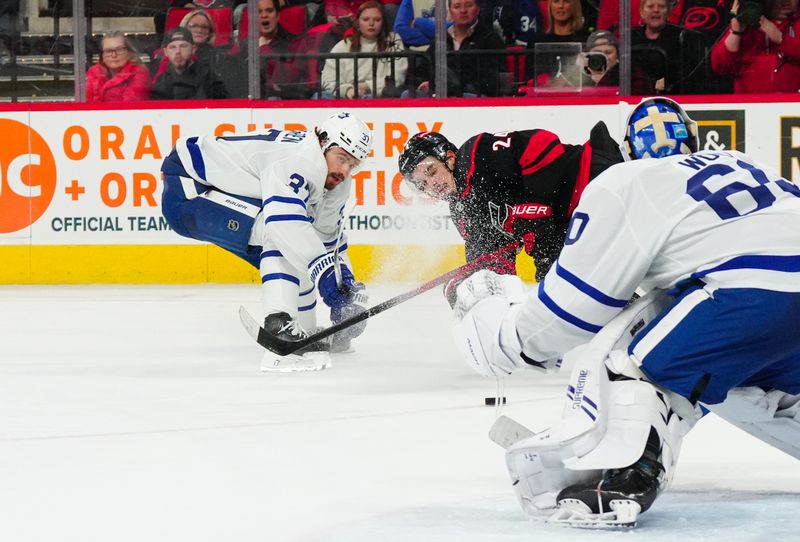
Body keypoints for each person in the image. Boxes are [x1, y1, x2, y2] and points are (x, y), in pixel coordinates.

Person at [449, 97, 800, 527]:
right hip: (776, 297)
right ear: (692, 140)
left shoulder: (628, 179)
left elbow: (575, 309)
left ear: (631, 148)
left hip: (752, 293)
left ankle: (626, 472)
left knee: (636, 358)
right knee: (739, 378)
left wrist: (506, 339)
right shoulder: (745, 164)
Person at [160, 112, 373, 371]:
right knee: (282, 236)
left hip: (217, 187)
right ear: (322, 142)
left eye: (353, 164)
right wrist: (327, 276)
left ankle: (302, 331)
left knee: (299, 247)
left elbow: (326, 239)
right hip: (188, 188)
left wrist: (345, 287)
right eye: (341, 158)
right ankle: (279, 323)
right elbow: (284, 225)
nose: (344, 171)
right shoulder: (298, 159)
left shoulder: (337, 181)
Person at [397, 119, 625, 304]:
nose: (432, 184)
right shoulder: (462, 213)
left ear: (449, 157)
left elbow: (542, 142)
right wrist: (475, 283)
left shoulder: (477, 155)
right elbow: (492, 259)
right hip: (574, 228)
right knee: (573, 294)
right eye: (423, 184)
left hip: (596, 181)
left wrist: (534, 204)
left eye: (431, 171)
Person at [412, 0, 506, 97]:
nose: (463, 10)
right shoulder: (442, 39)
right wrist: (426, 82)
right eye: (457, 6)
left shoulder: (490, 39)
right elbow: (422, 69)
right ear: (450, 12)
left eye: (469, 5)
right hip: (441, 96)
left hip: (475, 99)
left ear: (478, 9)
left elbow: (494, 79)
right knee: (408, 94)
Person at [319, 0, 408, 98]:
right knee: (321, 96)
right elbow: (328, 80)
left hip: (379, 95)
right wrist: (347, 91)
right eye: (365, 19)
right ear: (358, 22)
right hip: (347, 96)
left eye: (377, 20)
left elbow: (398, 77)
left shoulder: (393, 40)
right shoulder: (344, 45)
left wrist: (366, 86)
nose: (371, 23)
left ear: (383, 22)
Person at [711, 0, 800, 93]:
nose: (786, 1)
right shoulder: (749, 25)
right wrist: (736, 32)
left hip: (792, 103)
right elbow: (720, 67)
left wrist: (780, 38)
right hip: (750, 103)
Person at [630, 0, 707, 94]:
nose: (656, 10)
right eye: (650, 6)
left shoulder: (682, 38)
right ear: (641, 12)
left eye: (662, 7)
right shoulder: (630, 37)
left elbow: (690, 77)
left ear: (669, 11)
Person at [151, 27, 229, 100]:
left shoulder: (208, 77)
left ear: (193, 49)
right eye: (172, 47)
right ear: (165, 52)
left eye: (183, 46)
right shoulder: (162, 80)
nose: (178, 51)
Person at [86, 32, 152, 102]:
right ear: (102, 55)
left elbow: (131, 105)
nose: (114, 55)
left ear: (129, 52)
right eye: (108, 51)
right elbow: (85, 103)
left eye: (119, 50)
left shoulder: (140, 73)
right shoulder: (94, 72)